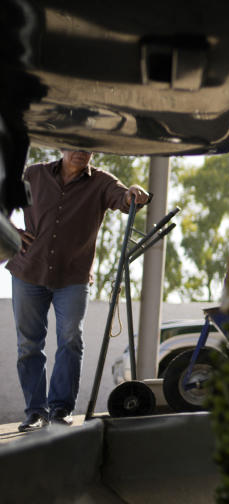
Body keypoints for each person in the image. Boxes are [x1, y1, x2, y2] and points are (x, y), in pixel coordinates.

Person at [6, 149, 150, 431]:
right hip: (28, 271)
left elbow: (123, 197)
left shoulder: (101, 182)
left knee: (71, 340)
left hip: (73, 277)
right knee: (28, 345)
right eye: (74, 145)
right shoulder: (34, 174)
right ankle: (35, 412)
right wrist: (11, 230)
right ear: (62, 145)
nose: (81, 152)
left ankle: (60, 409)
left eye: (87, 147)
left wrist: (133, 192)